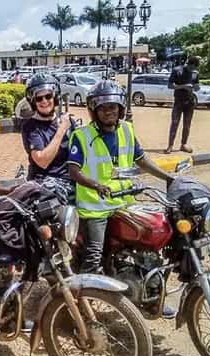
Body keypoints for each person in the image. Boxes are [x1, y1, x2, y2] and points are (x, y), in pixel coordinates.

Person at [67, 80, 176, 317]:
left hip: (124, 202)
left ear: (121, 109)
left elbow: (142, 160)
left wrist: (169, 177)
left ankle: (152, 297)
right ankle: (77, 304)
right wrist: (96, 185)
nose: (109, 112)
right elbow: (73, 171)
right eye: (104, 108)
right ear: (94, 110)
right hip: (95, 208)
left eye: (114, 107)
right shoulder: (81, 136)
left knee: (150, 246)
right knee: (94, 254)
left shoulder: (126, 130)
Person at [20, 73, 77, 202]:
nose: (44, 101)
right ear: (33, 102)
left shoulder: (68, 121)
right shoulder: (30, 127)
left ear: (55, 97)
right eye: (39, 99)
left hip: (71, 184)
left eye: (48, 96)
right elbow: (42, 161)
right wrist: (61, 130)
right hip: (44, 188)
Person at [166, 56, 201, 154]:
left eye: (195, 68)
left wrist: (196, 87)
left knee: (187, 125)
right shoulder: (177, 70)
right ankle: (170, 145)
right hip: (179, 100)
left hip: (190, 101)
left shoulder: (195, 73)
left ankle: (183, 144)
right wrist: (184, 86)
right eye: (192, 67)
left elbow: (197, 86)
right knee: (175, 123)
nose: (193, 70)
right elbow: (169, 85)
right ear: (189, 64)